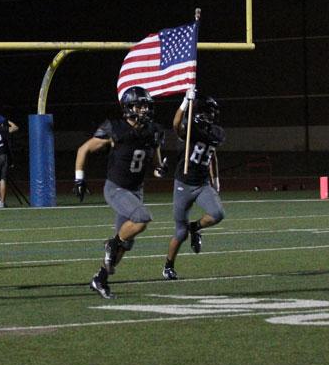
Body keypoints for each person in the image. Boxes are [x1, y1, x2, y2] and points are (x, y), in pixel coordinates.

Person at [74, 86, 167, 299]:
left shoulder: (153, 131)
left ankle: (100, 279)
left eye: (146, 106)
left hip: (136, 190)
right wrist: (79, 178)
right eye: (140, 105)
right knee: (142, 219)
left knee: (126, 244)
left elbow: (156, 164)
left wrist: (159, 169)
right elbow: (84, 149)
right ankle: (111, 243)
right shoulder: (115, 128)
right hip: (116, 188)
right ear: (129, 107)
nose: (144, 110)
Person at [163, 89, 226, 280]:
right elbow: (175, 124)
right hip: (183, 184)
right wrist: (185, 101)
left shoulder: (216, 132)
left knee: (217, 214)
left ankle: (195, 227)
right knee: (180, 233)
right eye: (209, 112)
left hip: (202, 184)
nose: (212, 116)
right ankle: (168, 266)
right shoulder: (190, 129)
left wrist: (215, 179)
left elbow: (212, 154)